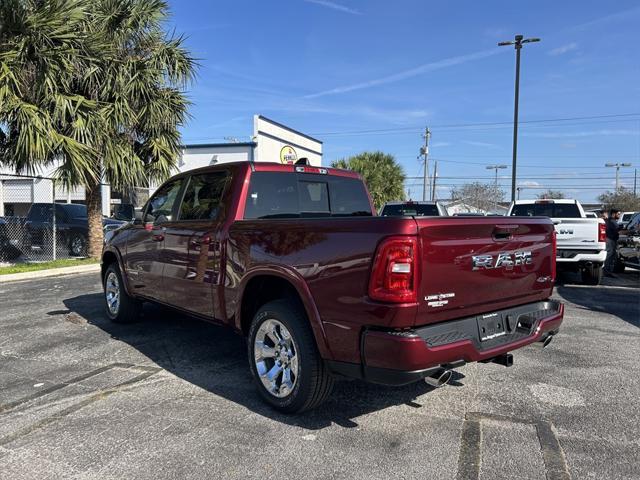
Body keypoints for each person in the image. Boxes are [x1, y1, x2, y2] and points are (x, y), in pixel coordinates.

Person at [604, 209, 621, 277]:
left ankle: (607, 271)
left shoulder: (610, 221)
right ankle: (606, 271)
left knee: (611, 255)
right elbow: (619, 231)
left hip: (610, 239)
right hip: (610, 240)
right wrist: (630, 231)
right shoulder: (612, 221)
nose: (619, 215)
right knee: (610, 255)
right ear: (613, 214)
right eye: (618, 214)